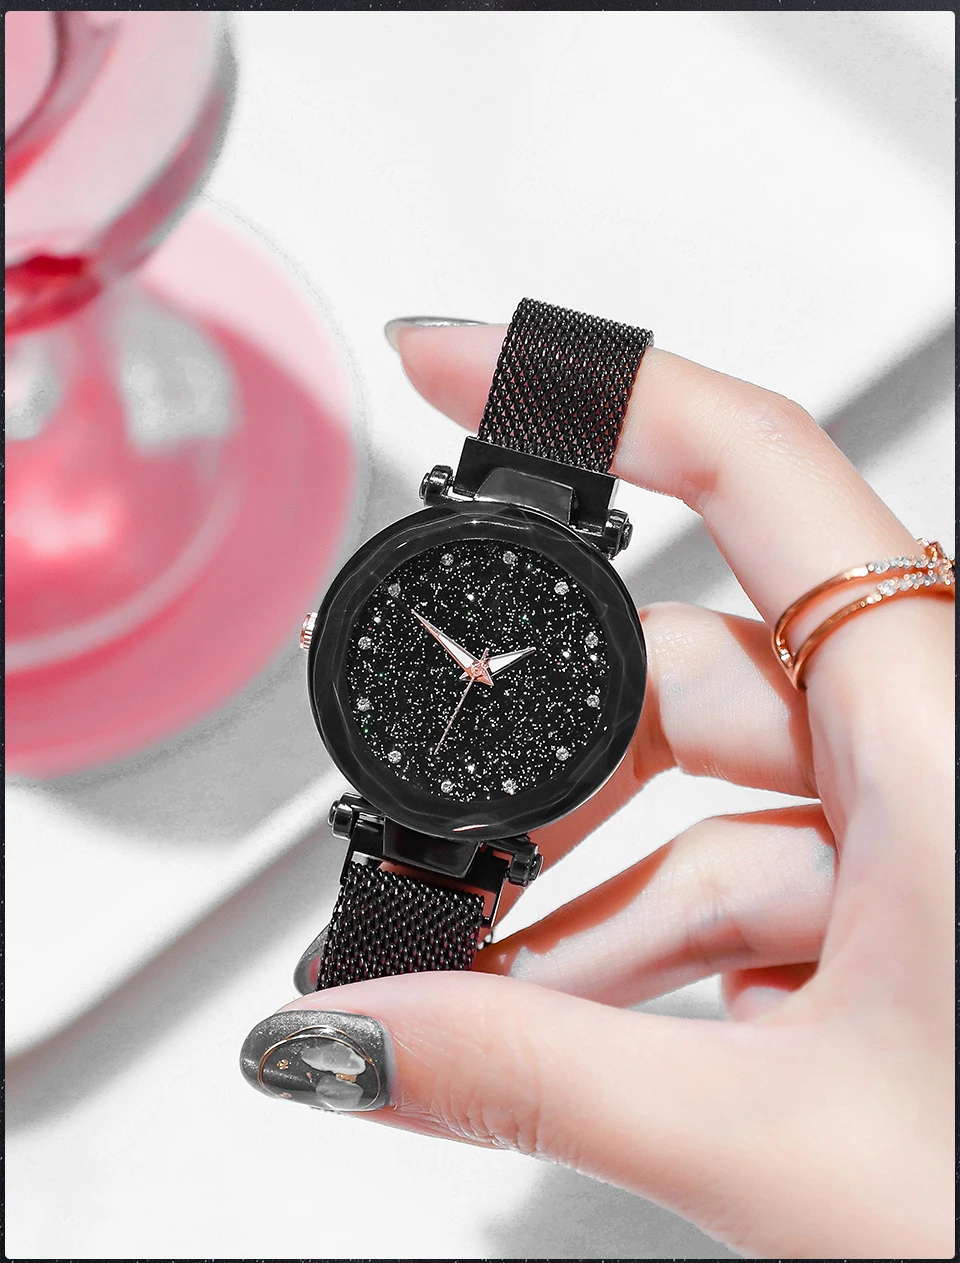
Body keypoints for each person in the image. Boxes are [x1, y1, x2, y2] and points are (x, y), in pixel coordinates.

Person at [242, 318, 954, 1259]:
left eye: (483, 668)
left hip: (465, 816)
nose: (477, 675)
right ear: (326, 633)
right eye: (466, 663)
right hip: (429, 810)